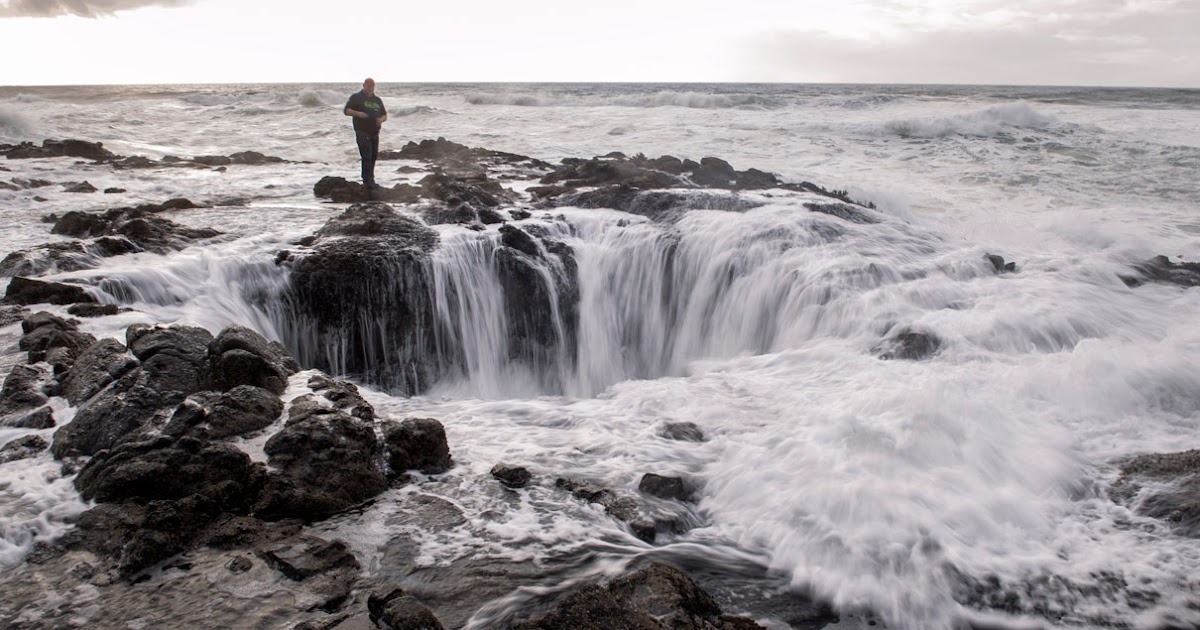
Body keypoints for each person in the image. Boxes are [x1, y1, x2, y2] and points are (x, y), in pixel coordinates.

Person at [344, 78, 388, 188]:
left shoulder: (377, 100)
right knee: (366, 156)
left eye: (372, 86)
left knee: (373, 156)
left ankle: (371, 178)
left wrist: (381, 119)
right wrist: (358, 114)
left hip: (375, 131)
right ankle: (366, 180)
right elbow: (346, 110)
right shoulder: (356, 97)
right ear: (364, 85)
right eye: (368, 86)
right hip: (362, 131)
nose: (370, 88)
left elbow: (385, 115)